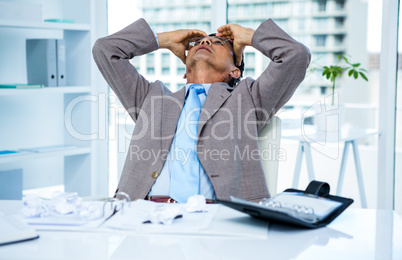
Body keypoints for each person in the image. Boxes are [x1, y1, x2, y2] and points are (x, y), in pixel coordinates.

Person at [92, 17, 310, 203]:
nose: (205, 41)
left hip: (219, 217)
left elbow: (296, 55)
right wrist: (163, 40)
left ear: (235, 71)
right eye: (197, 42)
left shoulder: (248, 97)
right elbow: (105, 50)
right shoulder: (151, 97)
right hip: (143, 213)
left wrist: (249, 36)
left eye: (219, 43)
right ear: (184, 73)